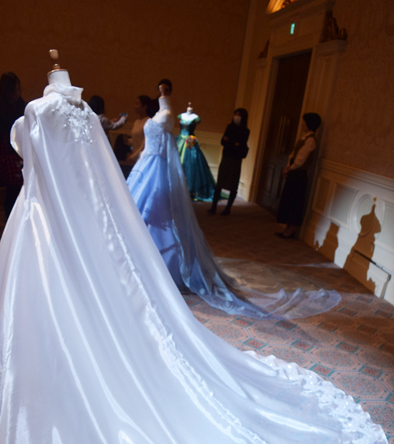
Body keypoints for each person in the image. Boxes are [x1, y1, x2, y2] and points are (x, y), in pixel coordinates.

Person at [0, 59, 392, 444]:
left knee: (58, 318)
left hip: (45, 229)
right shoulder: (77, 112)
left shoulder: (40, 112)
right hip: (66, 226)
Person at [128, 82, 340, 319]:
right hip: (146, 166)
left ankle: (166, 262)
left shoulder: (167, 114)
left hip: (160, 166)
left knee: (161, 214)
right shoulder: (162, 114)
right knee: (143, 211)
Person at [276, 112, 321, 239]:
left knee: (294, 202)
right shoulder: (304, 138)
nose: (302, 124)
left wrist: (289, 168)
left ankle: (291, 230)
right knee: (289, 200)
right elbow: (293, 154)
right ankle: (287, 228)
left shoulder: (311, 140)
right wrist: (288, 167)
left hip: (299, 175)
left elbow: (300, 159)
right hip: (294, 173)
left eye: (304, 122)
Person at [0, 72, 26, 218]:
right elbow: (3, 138)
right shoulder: (1, 112)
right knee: (12, 193)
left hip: (21, 152)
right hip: (10, 156)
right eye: (13, 90)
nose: (16, 93)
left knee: (21, 192)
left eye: (18, 89)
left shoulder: (23, 107)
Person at [208, 108, 249, 216]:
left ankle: (228, 208)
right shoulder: (229, 127)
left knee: (233, 184)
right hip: (226, 157)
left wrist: (230, 142)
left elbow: (239, 144)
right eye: (235, 114)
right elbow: (223, 141)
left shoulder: (245, 131)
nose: (236, 117)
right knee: (220, 183)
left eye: (239, 115)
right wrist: (233, 143)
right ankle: (213, 207)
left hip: (235, 160)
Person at [177, 102, 215, 201]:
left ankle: (190, 189)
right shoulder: (181, 115)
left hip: (190, 141)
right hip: (180, 140)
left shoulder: (196, 118)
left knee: (191, 165)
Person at [129, 94, 151, 164]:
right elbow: (137, 139)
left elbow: (144, 144)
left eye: (137, 104)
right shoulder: (136, 122)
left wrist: (133, 157)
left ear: (144, 107)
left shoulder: (148, 122)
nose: (135, 106)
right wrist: (128, 141)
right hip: (135, 156)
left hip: (142, 158)